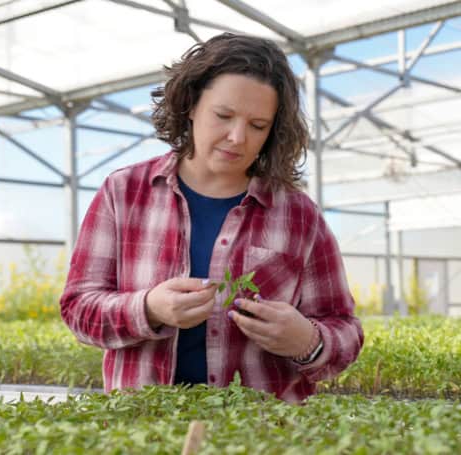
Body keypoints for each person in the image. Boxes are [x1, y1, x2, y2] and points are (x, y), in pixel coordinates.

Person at [60, 33, 364, 403]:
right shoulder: (123, 192)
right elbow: (78, 309)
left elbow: (344, 329)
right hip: (144, 427)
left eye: (257, 125)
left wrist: (307, 340)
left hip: (264, 433)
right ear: (190, 105)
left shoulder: (298, 214)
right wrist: (149, 308)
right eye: (223, 115)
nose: (237, 137)